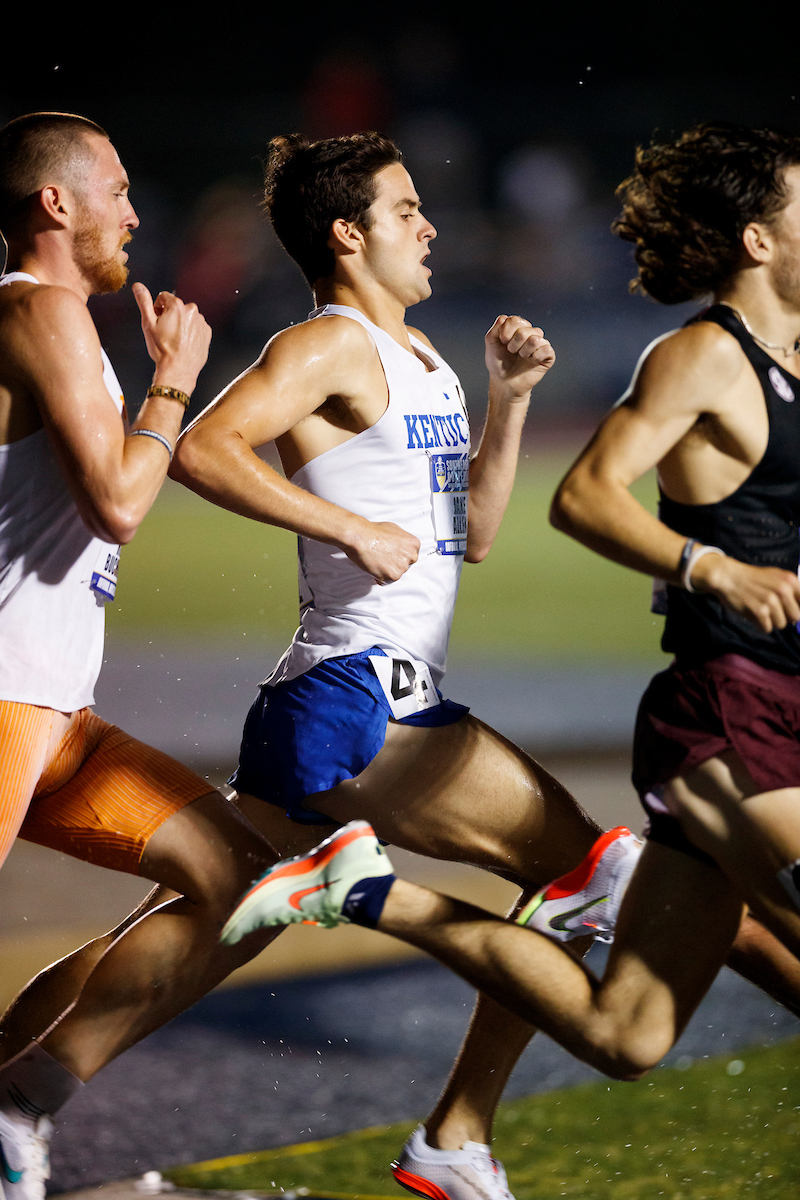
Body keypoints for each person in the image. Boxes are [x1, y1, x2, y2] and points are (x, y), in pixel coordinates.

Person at [174, 130, 800, 1200]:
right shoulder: (330, 344)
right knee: (581, 874)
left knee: (623, 1025)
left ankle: (440, 1107)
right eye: (405, 204)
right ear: (346, 231)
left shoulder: (418, 359)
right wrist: (706, 568)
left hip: (381, 700)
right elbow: (201, 448)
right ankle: (36, 1091)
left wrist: (505, 399)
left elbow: (474, 529)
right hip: (361, 698)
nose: (428, 222)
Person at [0, 112, 281, 1200]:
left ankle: (17, 1098)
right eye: (114, 188)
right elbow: (118, 503)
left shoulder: (56, 319)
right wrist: (176, 380)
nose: (132, 210)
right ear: (54, 204)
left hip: (54, 708)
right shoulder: (46, 309)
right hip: (10, 695)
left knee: (245, 880)